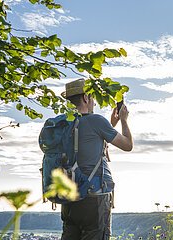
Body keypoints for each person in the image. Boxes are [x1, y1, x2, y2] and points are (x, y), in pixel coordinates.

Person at [60, 78, 133, 240]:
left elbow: (90, 141)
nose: (94, 102)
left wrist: (111, 123)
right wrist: (123, 120)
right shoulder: (97, 121)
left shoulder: (63, 124)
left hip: (68, 196)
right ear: (86, 98)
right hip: (94, 197)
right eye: (92, 98)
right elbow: (127, 145)